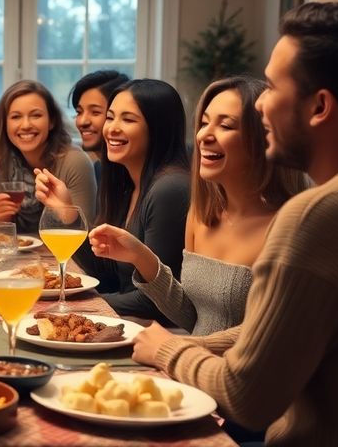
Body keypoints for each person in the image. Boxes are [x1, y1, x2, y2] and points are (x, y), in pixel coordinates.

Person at [132, 2, 338, 446]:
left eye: (274, 87)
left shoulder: (319, 214)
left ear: (320, 106)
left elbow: (248, 397)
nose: (260, 104)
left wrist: (169, 349)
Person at [86, 76, 308, 335]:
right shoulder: (201, 215)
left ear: (263, 140)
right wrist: (141, 257)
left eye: (225, 125)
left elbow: (265, 337)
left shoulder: (286, 226)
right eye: (203, 123)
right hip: (189, 363)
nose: (203, 135)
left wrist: (174, 350)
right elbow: (191, 317)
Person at [36, 79, 190, 321]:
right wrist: (67, 213)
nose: (111, 129)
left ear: (158, 128)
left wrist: (69, 304)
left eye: (128, 119)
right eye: (110, 117)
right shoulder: (127, 184)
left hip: (157, 329)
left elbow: (155, 301)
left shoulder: (169, 189)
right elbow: (105, 273)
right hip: (130, 321)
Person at [0, 80, 97, 233]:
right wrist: (0, 218)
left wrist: (67, 213)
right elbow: (0, 239)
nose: (25, 125)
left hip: (62, 255)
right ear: (4, 124)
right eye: (16, 117)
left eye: (36, 115)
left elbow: (85, 238)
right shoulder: (1, 162)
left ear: (51, 121)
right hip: (19, 255)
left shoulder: (75, 162)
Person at [71, 70, 130, 181]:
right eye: (79, 112)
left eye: (95, 112)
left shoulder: (134, 174)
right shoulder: (98, 169)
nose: (83, 121)